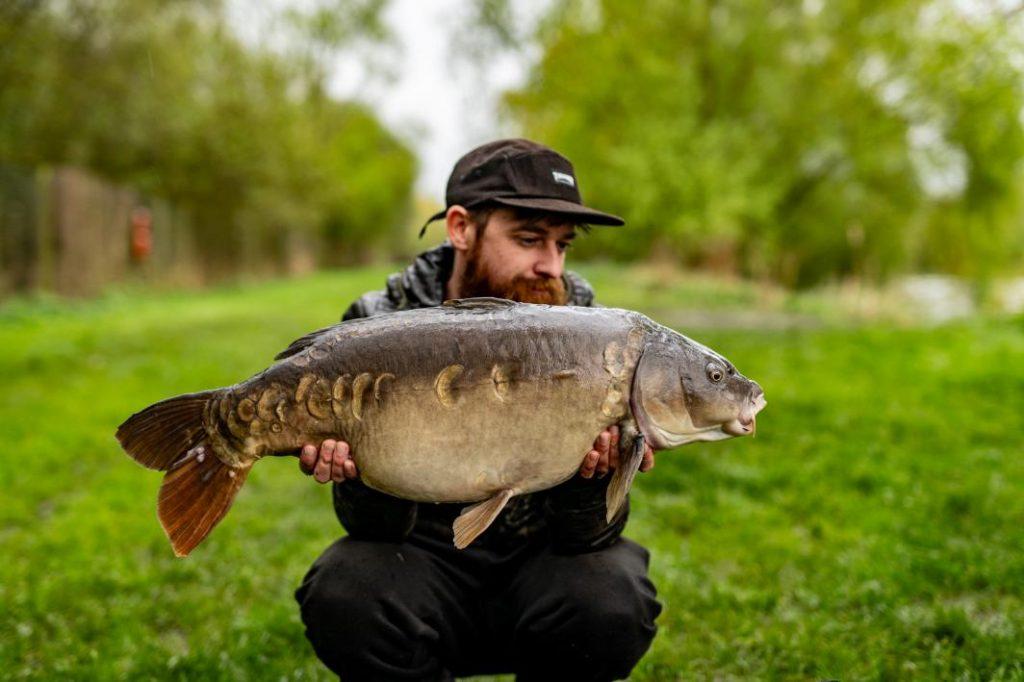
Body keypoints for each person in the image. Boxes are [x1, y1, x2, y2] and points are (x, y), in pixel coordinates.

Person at [293, 139, 663, 681]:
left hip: (541, 570)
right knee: (345, 589)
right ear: (461, 228)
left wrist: (593, 476)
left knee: (612, 596)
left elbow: (589, 540)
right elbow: (371, 531)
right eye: (529, 238)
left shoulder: (595, 334)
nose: (549, 265)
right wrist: (355, 473)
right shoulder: (376, 323)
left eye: (563, 245)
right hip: (422, 566)